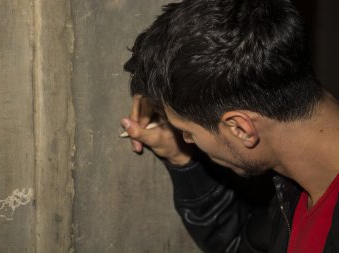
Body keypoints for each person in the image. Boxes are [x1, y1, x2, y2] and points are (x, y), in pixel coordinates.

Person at [120, 0, 339, 252]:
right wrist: (180, 157)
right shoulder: (297, 189)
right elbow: (243, 244)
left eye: (188, 132)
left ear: (240, 128)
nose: (186, 139)